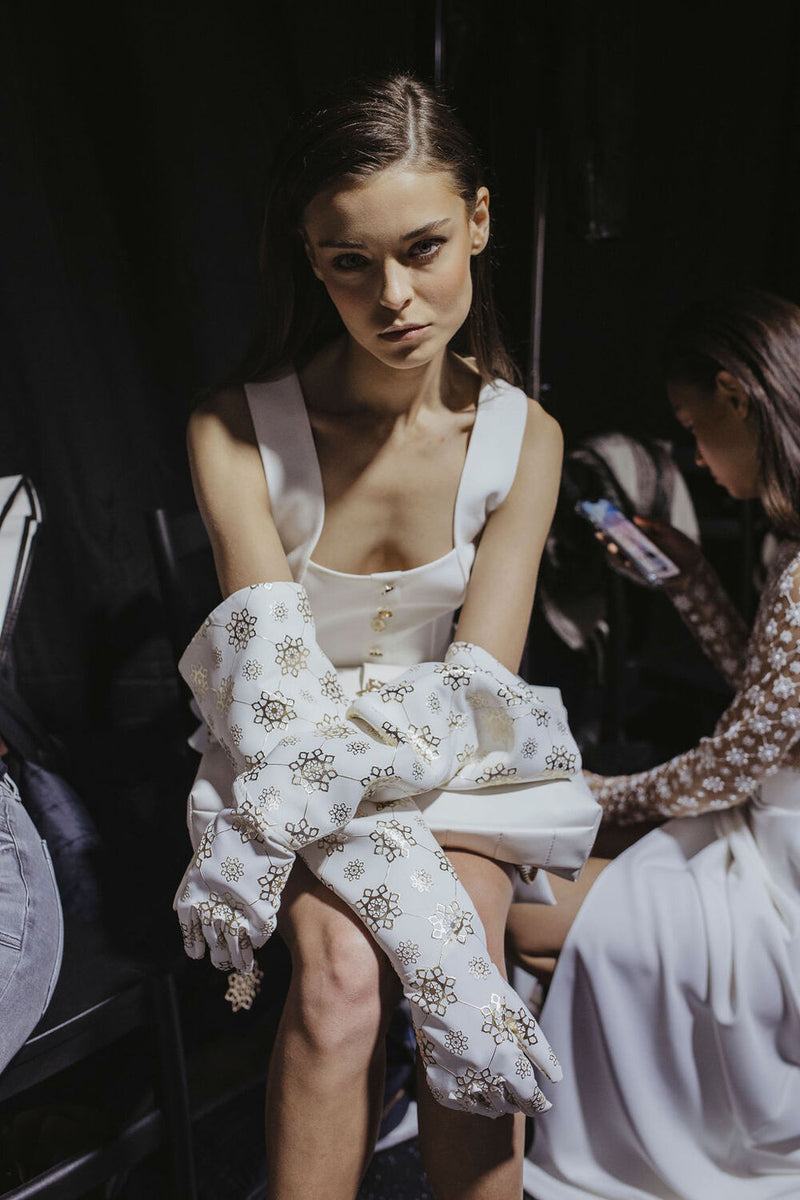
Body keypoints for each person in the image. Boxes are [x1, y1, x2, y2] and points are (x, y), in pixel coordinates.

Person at [180, 73, 580, 1200]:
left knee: (472, 948)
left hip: (456, 748)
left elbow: (476, 686)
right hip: (282, 752)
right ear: (312, 261)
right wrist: (413, 924)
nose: (393, 296)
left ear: (479, 222)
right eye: (350, 261)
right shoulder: (234, 427)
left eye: (423, 248)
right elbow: (274, 702)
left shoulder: (526, 439)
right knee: (339, 985)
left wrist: (440, 942)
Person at [507, 288, 800, 1199]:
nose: (697, 458)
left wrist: (601, 793)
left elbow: (737, 760)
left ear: (738, 395)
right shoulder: (790, 550)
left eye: (695, 427)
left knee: (519, 913)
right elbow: (768, 694)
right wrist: (687, 578)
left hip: (782, 870)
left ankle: (538, 1116)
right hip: (767, 825)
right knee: (543, 888)